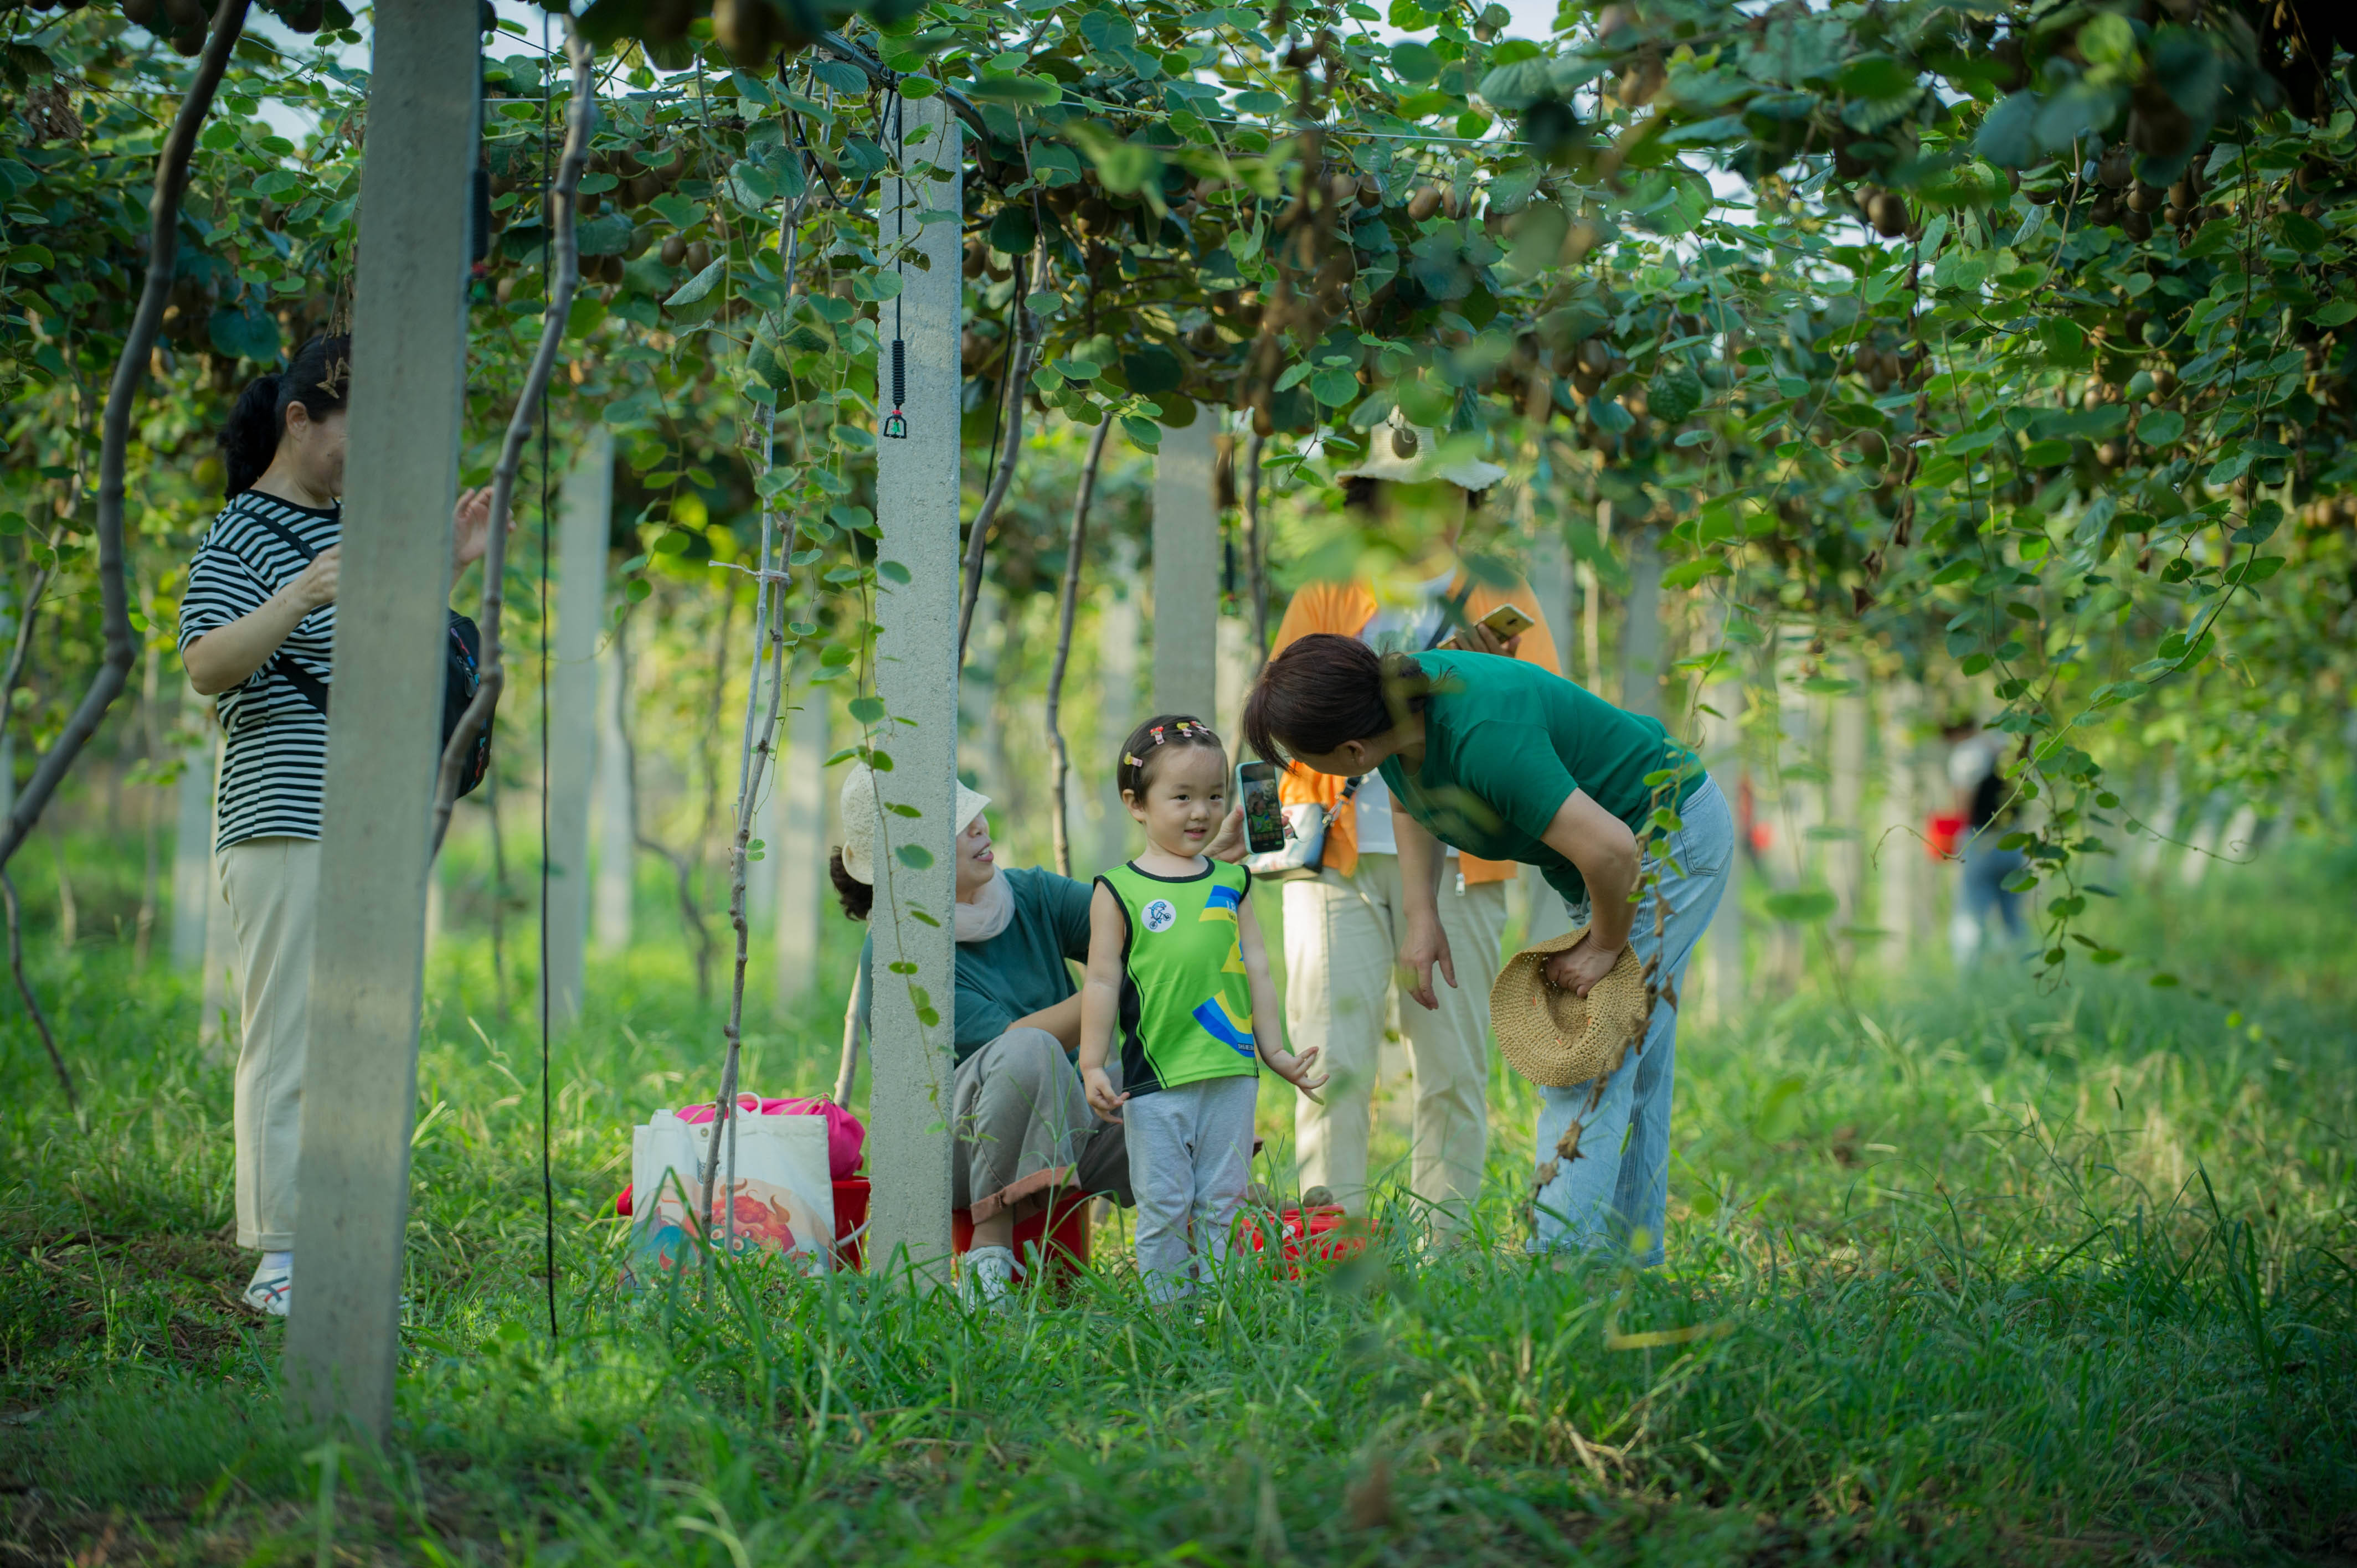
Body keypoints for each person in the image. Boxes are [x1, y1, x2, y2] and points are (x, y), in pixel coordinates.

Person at [178, 334, 496, 1317]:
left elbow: (380, 665)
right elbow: (205, 664)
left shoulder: (349, 524)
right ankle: (280, 1253)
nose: (374, 452)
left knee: (357, 1037)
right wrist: (299, 592)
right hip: (282, 818)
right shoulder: (243, 534)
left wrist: (440, 569)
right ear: (301, 419)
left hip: (364, 821)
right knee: (289, 1041)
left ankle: (336, 1243)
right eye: (360, 428)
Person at [1242, 637, 1733, 1266]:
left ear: (1349, 751)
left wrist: (1605, 946)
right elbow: (1408, 798)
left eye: (1300, 755)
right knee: (1628, 1069)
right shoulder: (1393, 713)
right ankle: (1626, 1272)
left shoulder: (1484, 738)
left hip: (1661, 843)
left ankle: (1558, 1276)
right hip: (1614, 864)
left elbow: (1612, 850)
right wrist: (1423, 916)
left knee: (1580, 1062)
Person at [1266, 412, 1562, 1239]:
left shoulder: (1504, 596)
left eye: (1450, 494)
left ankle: (1445, 1248)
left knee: (1452, 1070)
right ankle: (1331, 1245)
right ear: (1368, 501)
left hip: (1465, 865)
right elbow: (1285, 715)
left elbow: (1541, 717)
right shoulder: (1328, 593)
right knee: (1334, 1060)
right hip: (1337, 860)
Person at [834, 765, 1253, 1304]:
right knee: (1032, 1051)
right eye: (958, 826)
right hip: (956, 1153)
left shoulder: (1027, 895)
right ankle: (989, 1263)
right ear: (913, 858)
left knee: (1166, 1085)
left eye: (975, 815)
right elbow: (1017, 1049)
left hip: (1069, 1126)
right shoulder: (901, 954)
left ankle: (1236, 1232)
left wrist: (1195, 871)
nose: (981, 828)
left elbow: (1139, 925)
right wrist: (1114, 984)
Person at [1077, 716, 1326, 1301]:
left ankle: (1218, 1314)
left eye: (1215, 796)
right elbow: (1102, 982)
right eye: (1181, 797)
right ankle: (1165, 1318)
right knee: (1164, 1203)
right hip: (1156, 1079)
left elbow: (1256, 969)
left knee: (1223, 1201)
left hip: (1232, 1071)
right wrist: (1092, 1063)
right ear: (1136, 805)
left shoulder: (1232, 881)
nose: (1201, 813)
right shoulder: (1117, 889)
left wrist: (1276, 1051)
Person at [1942, 716, 2025, 965]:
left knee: (1970, 916)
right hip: (2014, 839)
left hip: (1979, 840)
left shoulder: (1966, 754)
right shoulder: (2010, 748)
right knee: (2013, 919)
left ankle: (1968, 977)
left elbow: (1962, 807)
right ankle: (2021, 972)